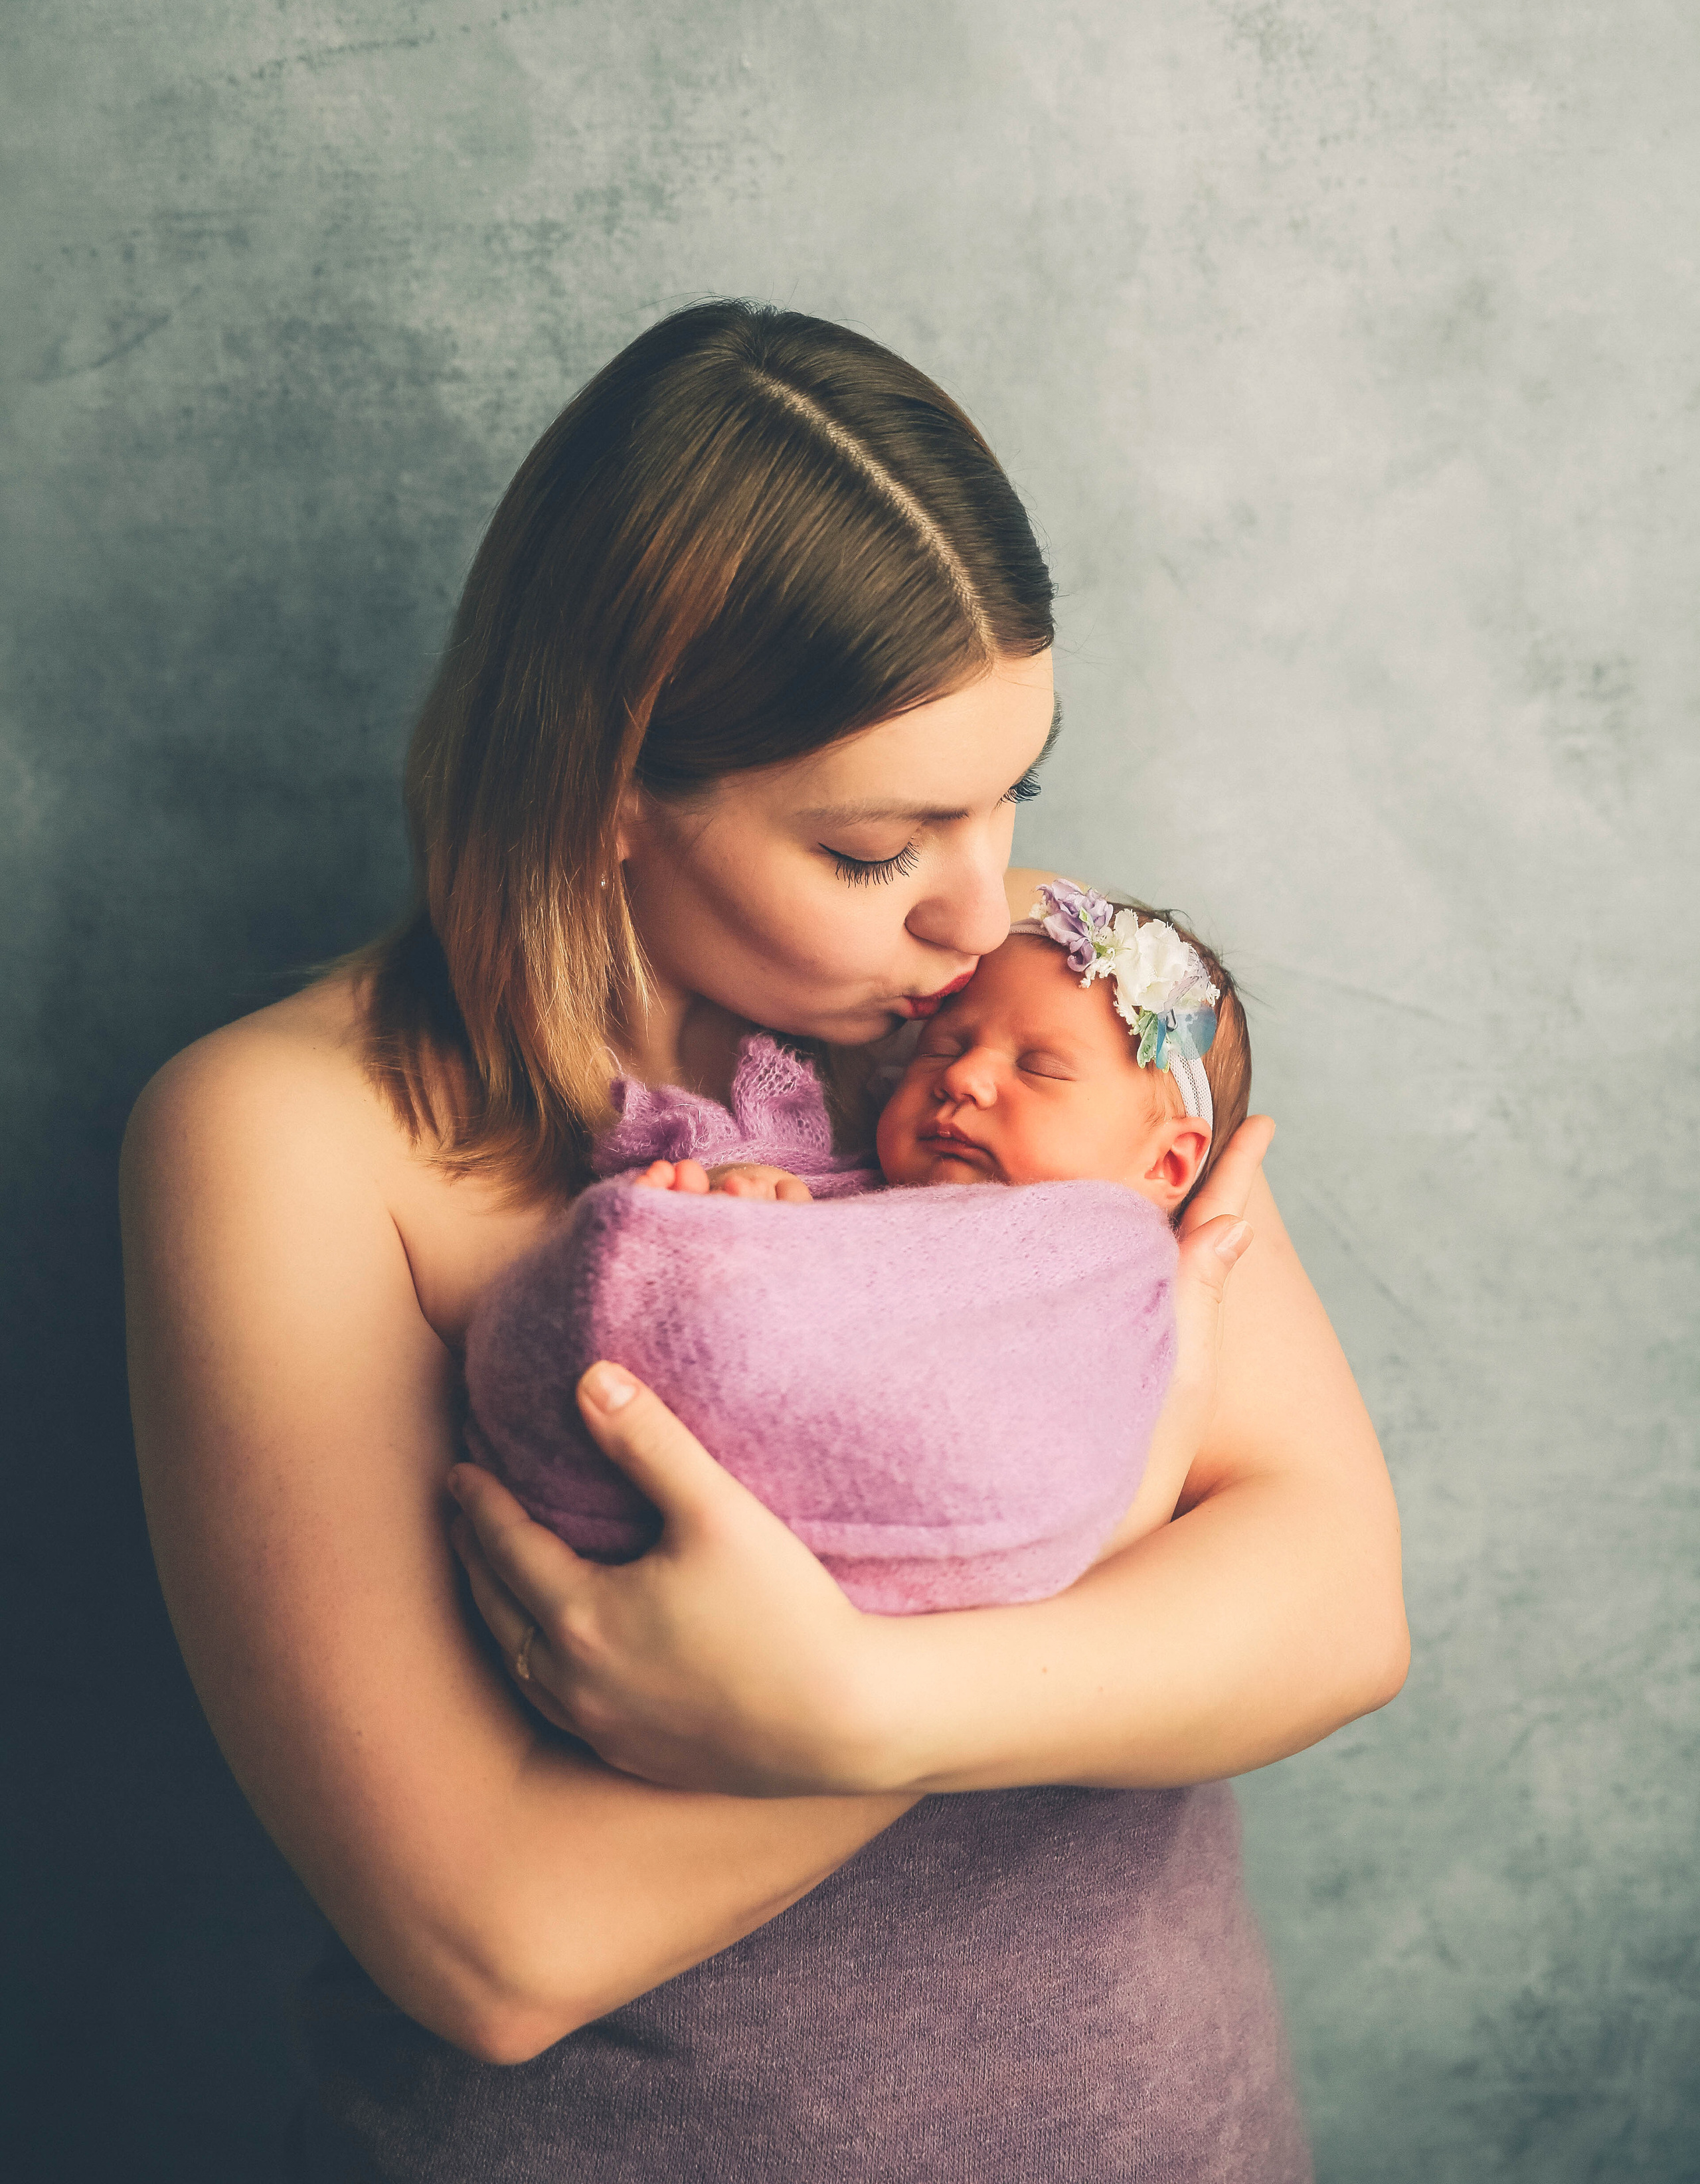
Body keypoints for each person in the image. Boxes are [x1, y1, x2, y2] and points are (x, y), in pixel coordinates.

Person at [122, 301, 1408, 2180]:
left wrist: (847, 1702)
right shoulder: (284, 1142)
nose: (983, 908)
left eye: (1015, 800)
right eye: (882, 847)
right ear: (610, 793)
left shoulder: (1039, 1002)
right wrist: (1114, 1528)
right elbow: (497, 1941)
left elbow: (1331, 1607)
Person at [462, 888, 1251, 1621]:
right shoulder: (837, 1175)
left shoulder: (1108, 1261)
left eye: (1039, 1068)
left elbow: (1058, 1433)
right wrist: (732, 1206)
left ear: (1167, 1166)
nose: (964, 1079)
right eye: (941, 1050)